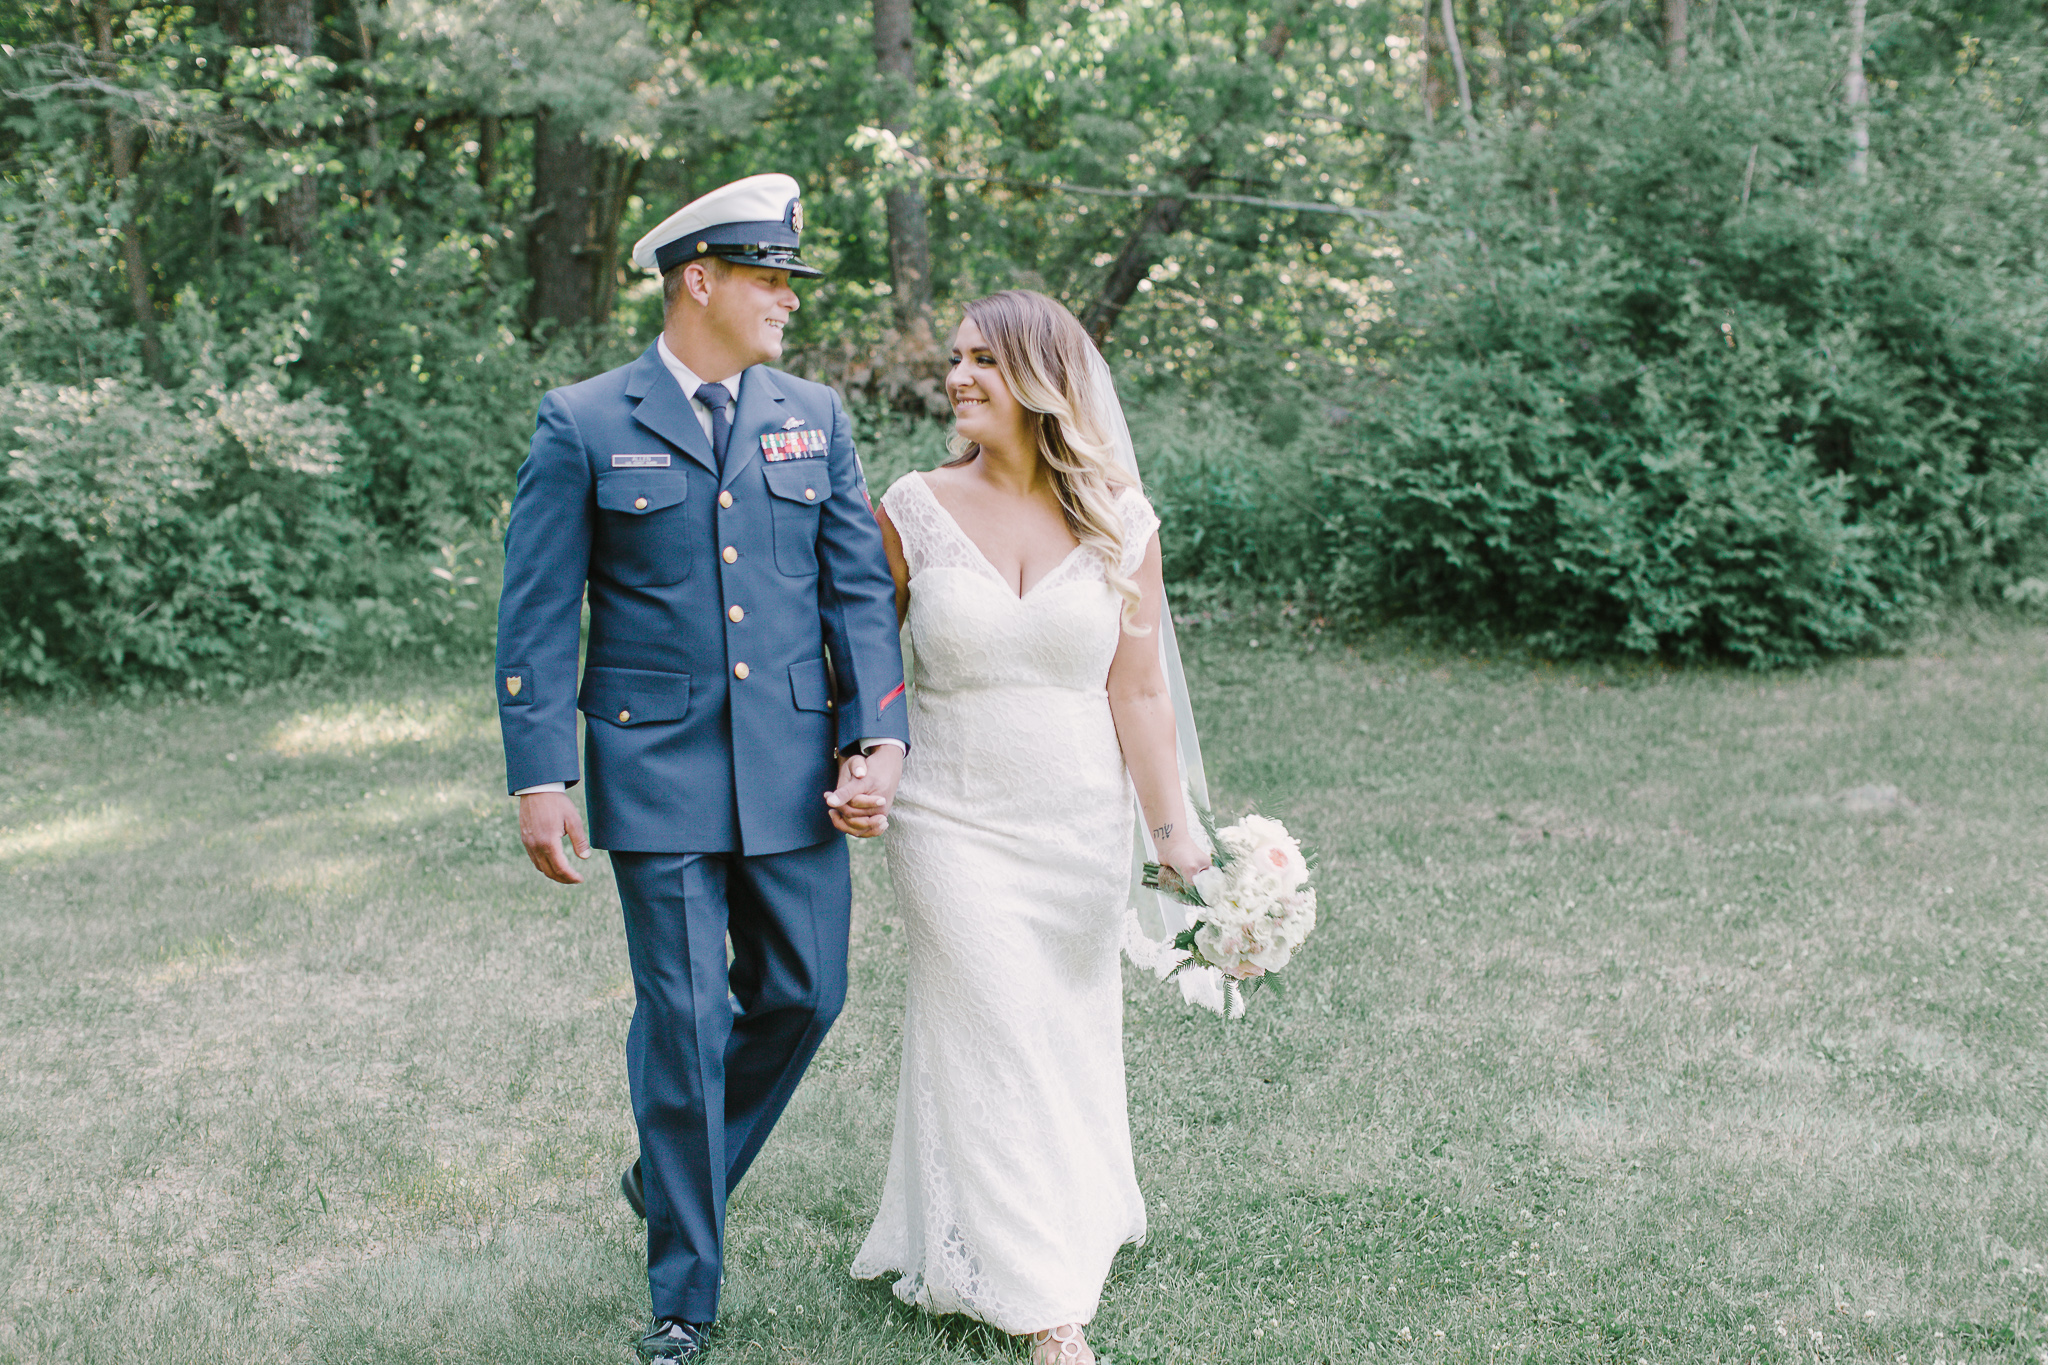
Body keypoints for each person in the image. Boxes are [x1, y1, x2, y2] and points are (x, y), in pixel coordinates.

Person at [493, 173, 908, 1361]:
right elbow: (536, 612)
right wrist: (540, 773)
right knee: (681, 1021)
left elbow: (855, 594)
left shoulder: (813, 416)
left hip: (792, 763)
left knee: (804, 996)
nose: (786, 300)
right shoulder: (584, 420)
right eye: (769, 278)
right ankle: (684, 1297)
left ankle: (665, 1170)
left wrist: (877, 732)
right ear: (700, 281)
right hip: (656, 766)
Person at [850, 290, 1210, 1365]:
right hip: (949, 821)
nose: (957, 378)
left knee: (1057, 1033)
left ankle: (1054, 1216)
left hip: (1076, 828)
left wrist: (1174, 833)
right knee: (992, 1028)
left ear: (1044, 382)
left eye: (985, 363)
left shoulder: (1118, 517)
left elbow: (1138, 695)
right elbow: (863, 667)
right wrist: (862, 762)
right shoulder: (909, 507)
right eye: (954, 360)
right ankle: (1046, 1310)